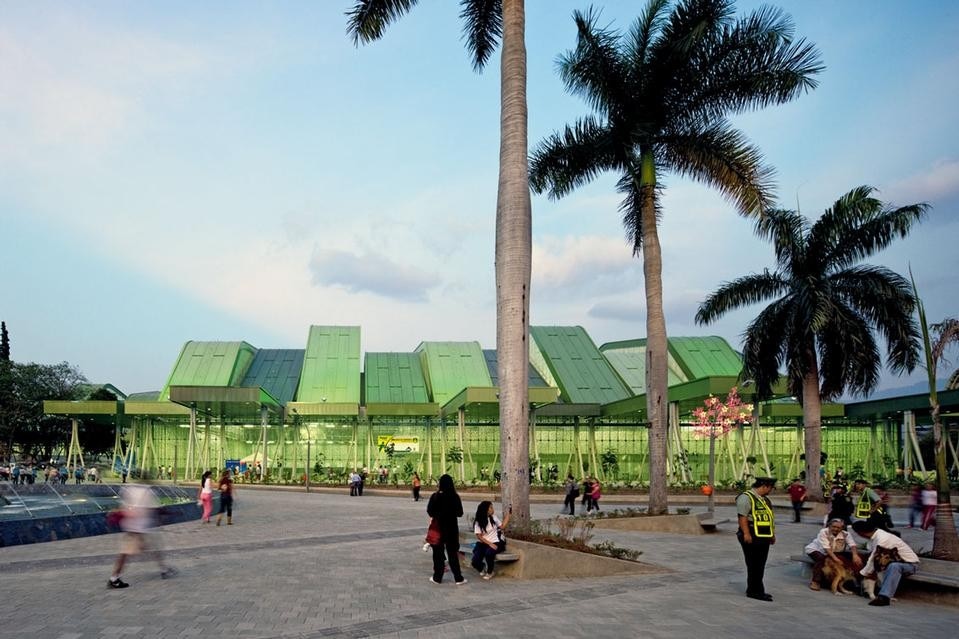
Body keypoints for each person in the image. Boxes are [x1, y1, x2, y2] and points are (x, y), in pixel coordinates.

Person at [108, 484, 175, 588]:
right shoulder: (147, 491)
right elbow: (155, 509)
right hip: (138, 528)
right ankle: (114, 578)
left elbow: (123, 505)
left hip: (133, 526)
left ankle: (164, 569)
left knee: (150, 547)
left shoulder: (129, 489)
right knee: (126, 553)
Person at [851, 520, 920, 606]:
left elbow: (873, 559)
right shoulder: (876, 536)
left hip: (910, 565)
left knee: (894, 566)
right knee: (889, 566)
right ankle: (869, 590)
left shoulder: (882, 539)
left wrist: (863, 573)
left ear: (861, 533)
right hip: (895, 563)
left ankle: (884, 597)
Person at [736, 476, 777, 601]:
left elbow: (768, 517)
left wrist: (772, 534)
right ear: (764, 486)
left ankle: (756, 589)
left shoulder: (765, 500)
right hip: (751, 533)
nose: (771, 491)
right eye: (770, 488)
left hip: (764, 535)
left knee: (760, 563)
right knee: (754, 563)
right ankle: (755, 591)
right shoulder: (746, 497)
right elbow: (742, 517)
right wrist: (746, 534)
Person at [426, 473, 466, 585]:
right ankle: (458, 578)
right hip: (452, 529)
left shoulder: (435, 496)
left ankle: (437, 578)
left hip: (438, 529)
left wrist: (438, 514)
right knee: (452, 554)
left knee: (438, 555)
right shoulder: (455, 497)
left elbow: (430, 511)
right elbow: (460, 513)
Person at [804, 518, 863, 591]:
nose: (835, 529)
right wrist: (835, 559)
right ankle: (815, 582)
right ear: (829, 526)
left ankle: (853, 582)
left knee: (852, 559)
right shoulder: (824, 532)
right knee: (822, 559)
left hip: (834, 552)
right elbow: (826, 548)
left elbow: (852, 545)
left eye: (838, 527)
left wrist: (855, 555)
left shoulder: (845, 534)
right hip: (817, 550)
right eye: (834, 527)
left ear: (842, 528)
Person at [471, 500, 511, 580]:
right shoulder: (478, 522)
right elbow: (479, 536)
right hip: (484, 543)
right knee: (474, 561)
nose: (493, 509)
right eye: (491, 508)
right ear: (485, 510)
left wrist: (509, 515)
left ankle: (490, 572)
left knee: (489, 553)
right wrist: (489, 544)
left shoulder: (493, 517)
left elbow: (502, 527)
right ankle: (482, 567)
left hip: (496, 542)